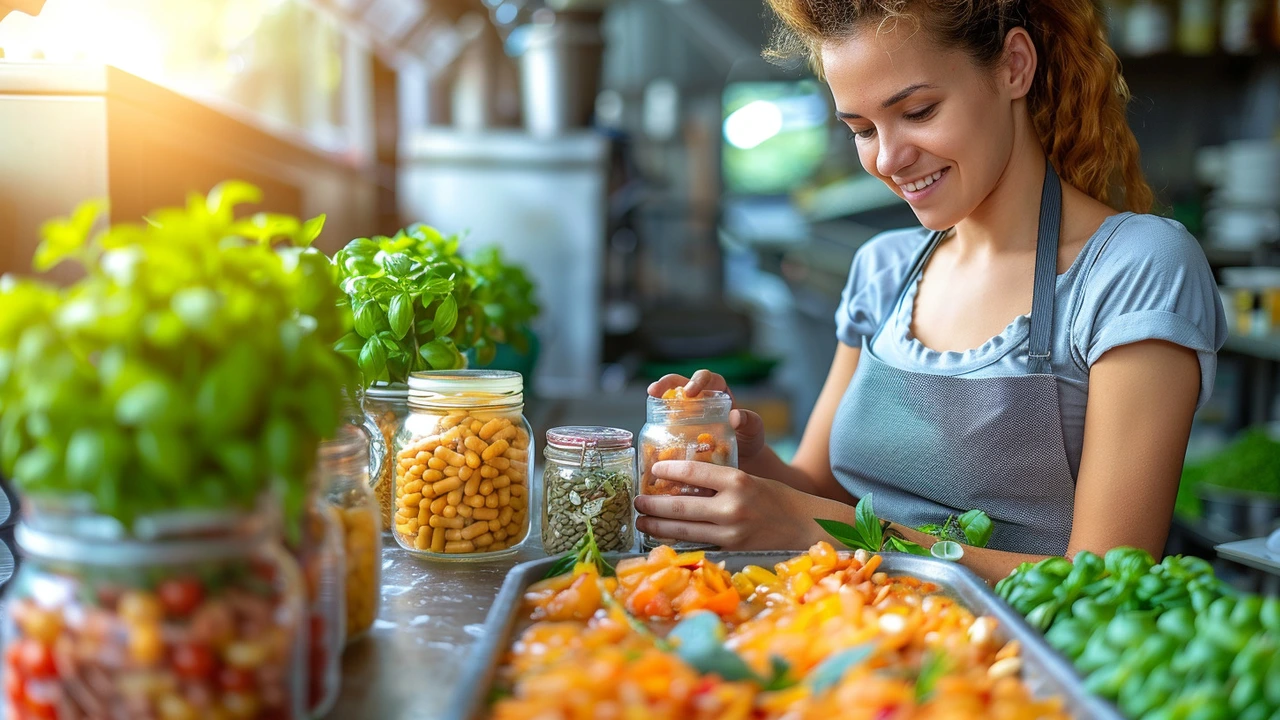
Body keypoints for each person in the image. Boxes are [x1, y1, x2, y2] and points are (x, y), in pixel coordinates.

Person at [634, 0, 1226, 584]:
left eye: (917, 111)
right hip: (850, 643)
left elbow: (1104, 583)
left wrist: (814, 528)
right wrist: (747, 458)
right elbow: (820, 494)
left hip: (1021, 668)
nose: (888, 159)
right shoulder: (883, 272)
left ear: (1014, 66)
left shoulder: (1132, 269)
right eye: (862, 129)